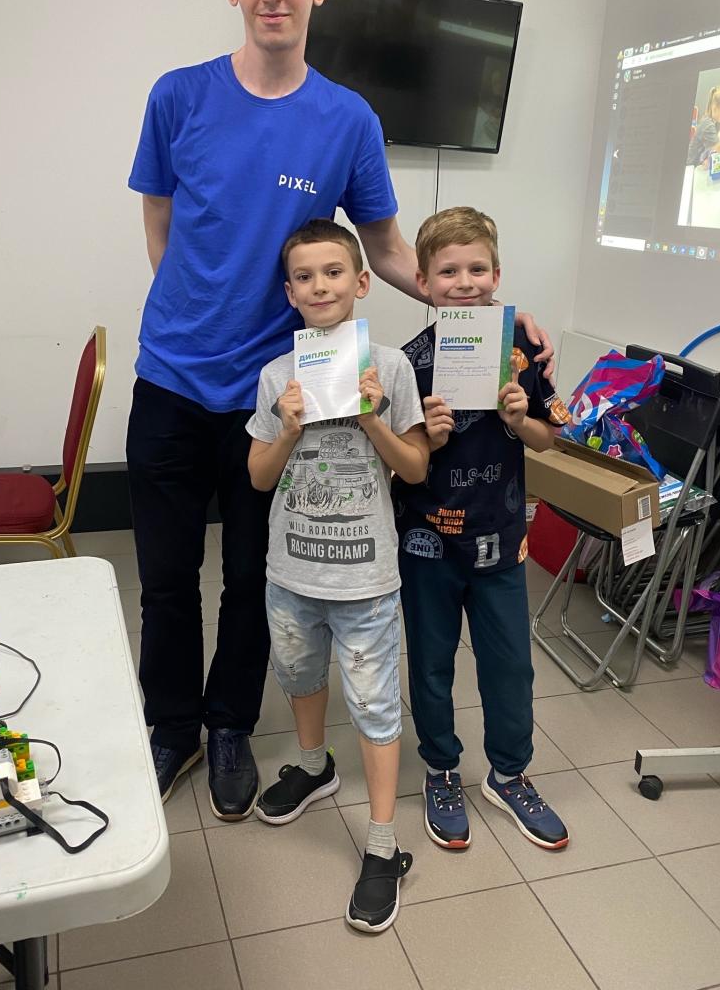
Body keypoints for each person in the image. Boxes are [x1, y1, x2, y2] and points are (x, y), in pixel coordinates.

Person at [126, 0, 554, 821]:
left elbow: (389, 248)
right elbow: (161, 226)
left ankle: (230, 725)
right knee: (164, 581)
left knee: (251, 579)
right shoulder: (178, 97)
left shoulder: (347, 119)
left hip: (277, 395)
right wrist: (196, 314)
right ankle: (172, 729)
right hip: (170, 385)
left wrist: (485, 310)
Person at [246, 218, 428, 932]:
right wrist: (288, 426)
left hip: (366, 580)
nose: (319, 286)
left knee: (376, 706)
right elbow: (259, 478)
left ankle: (382, 846)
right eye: (304, 277)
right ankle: (315, 764)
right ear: (289, 293)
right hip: (291, 571)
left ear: (361, 283)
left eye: (332, 273)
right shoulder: (277, 376)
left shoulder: (393, 367)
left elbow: (415, 467)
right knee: (299, 675)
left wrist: (374, 417)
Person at [393, 207, 571, 852]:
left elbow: (549, 441)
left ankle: (509, 774)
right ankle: (441, 768)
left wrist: (521, 420)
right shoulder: (407, 364)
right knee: (431, 664)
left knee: (510, 665)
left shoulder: (522, 354)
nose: (464, 282)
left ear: (497, 275)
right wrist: (429, 436)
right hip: (428, 542)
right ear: (422, 281)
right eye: (448, 271)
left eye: (477, 269)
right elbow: (399, 461)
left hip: (502, 539)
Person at [687, 85, 720, 166]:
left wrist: (705, 159)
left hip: (701, 161)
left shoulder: (716, 122)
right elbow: (718, 147)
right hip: (691, 165)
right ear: (714, 108)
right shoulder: (707, 124)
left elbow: (711, 144)